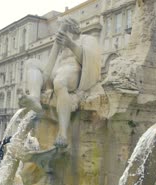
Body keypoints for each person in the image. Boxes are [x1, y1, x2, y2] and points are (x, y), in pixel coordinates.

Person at [19, 17, 101, 147]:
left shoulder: (87, 39)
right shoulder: (61, 48)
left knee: (59, 81)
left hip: (74, 72)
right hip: (58, 71)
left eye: (62, 29)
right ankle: (34, 97)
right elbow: (48, 70)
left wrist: (71, 44)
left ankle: (62, 133)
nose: (59, 32)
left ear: (71, 28)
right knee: (31, 63)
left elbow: (90, 60)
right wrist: (56, 48)